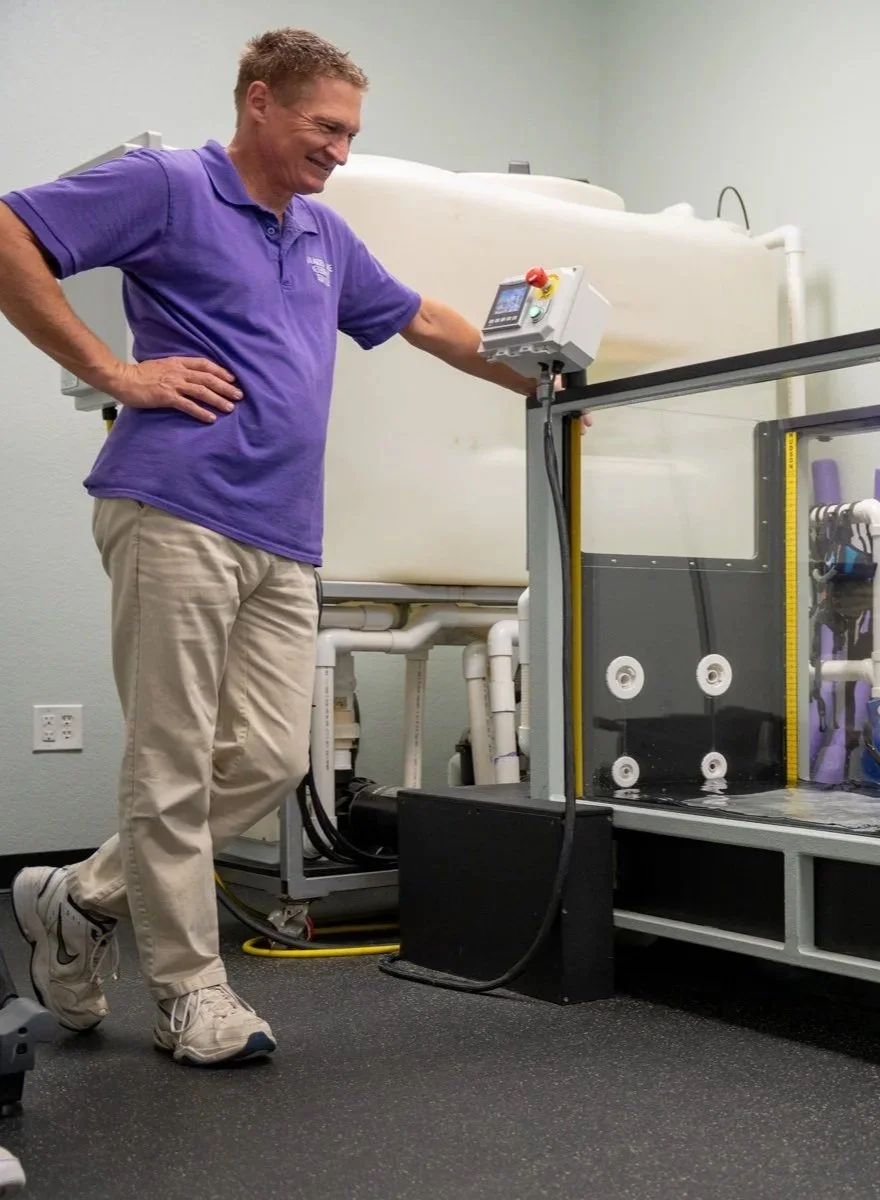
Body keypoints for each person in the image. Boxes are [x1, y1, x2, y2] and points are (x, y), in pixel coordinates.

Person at [0, 29, 540, 1067]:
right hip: (177, 507)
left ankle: (79, 899)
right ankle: (192, 993)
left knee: (258, 758)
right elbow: (11, 233)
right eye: (323, 127)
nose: (339, 150)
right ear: (258, 103)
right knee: (168, 765)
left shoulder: (323, 237)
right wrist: (116, 370)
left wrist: (548, 380)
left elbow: (424, 317)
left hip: (284, 535)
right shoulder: (169, 185)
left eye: (350, 133)